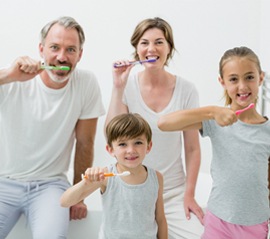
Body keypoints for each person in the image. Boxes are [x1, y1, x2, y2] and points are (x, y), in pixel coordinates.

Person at [0, 16, 105, 239]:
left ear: (80, 55)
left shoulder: (86, 83)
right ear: (41, 49)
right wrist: (9, 75)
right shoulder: (11, 80)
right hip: (4, 183)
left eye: (70, 50)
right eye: (54, 48)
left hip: (50, 186)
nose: (61, 57)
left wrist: (79, 194)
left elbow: (85, 143)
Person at [105, 17, 204, 239]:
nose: (152, 48)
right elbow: (111, 132)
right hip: (131, 189)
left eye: (159, 42)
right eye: (144, 43)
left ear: (169, 47)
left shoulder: (186, 90)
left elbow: (192, 149)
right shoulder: (127, 85)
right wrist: (117, 88)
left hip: (172, 192)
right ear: (136, 49)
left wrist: (189, 195)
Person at [158, 46, 270, 239]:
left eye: (249, 77)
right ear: (222, 82)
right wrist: (211, 111)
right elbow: (163, 123)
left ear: (260, 77)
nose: (242, 86)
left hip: (255, 224)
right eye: (233, 79)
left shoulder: (267, 131)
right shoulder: (216, 121)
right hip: (218, 222)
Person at [61, 113, 168, 239]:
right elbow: (65, 201)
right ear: (111, 150)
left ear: (148, 146)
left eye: (138, 142)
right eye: (123, 144)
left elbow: (160, 219)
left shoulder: (156, 178)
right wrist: (86, 182)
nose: (131, 150)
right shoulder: (106, 177)